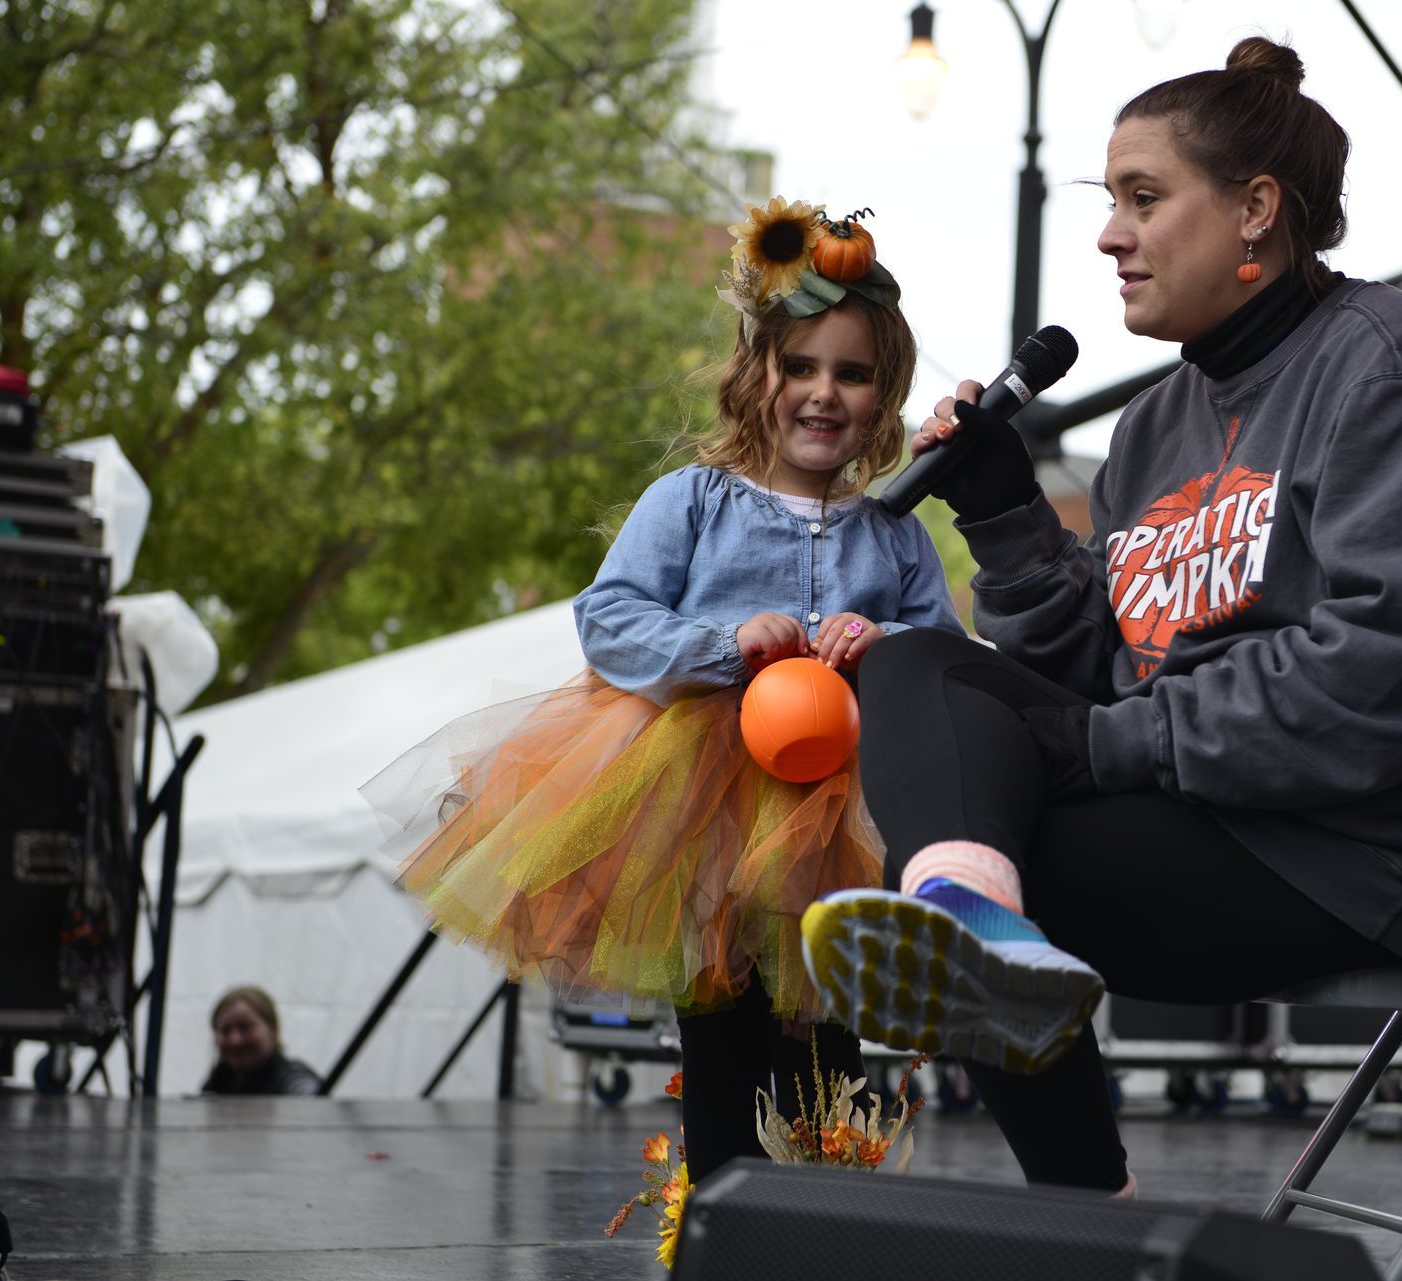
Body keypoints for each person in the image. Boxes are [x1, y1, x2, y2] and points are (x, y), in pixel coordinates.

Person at [802, 36, 1402, 1195]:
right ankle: (1044, 1113)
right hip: (1225, 810)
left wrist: (1111, 742)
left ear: (1257, 211)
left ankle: (1082, 1206)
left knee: (954, 865)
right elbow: (1099, 676)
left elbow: (1394, 670)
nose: (1111, 235)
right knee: (918, 681)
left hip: (1397, 853)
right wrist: (1008, 512)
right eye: (1110, 202)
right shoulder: (1157, 428)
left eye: (1144, 199)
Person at [367, 199, 963, 1182]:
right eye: (800, 367)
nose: (823, 394)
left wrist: (883, 640)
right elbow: (609, 620)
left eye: (852, 374)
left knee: (827, 1034)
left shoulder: (892, 532)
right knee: (724, 1024)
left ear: (885, 393)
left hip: (841, 815)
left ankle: (830, 1229)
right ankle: (725, 1221)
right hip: (708, 809)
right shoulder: (692, 500)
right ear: (755, 373)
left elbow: (947, 649)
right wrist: (724, 641)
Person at [201, 985, 324, 1096]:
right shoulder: (217, 1082)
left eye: (245, 1028)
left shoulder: (292, 1079)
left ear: (273, 1030)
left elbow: (309, 1095)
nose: (235, 1040)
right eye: (225, 1030)